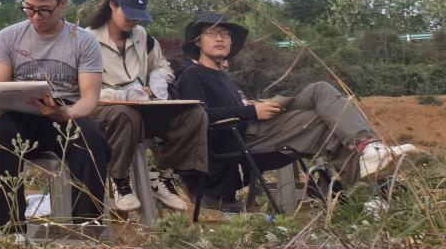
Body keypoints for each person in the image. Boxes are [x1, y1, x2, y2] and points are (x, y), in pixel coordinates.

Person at [174, 13, 416, 211]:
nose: (220, 38)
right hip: (241, 138)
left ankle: (369, 156)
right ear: (198, 42)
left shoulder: (224, 76)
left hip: (257, 126)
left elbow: (234, 107)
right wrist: (252, 112)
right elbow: (198, 116)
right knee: (323, 122)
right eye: (212, 33)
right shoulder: (192, 75)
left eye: (225, 34)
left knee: (320, 93)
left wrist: (259, 107)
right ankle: (375, 186)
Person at [0, 0, 111, 231]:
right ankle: (10, 226)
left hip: (67, 117)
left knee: (91, 138)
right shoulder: (8, 37)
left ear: (63, 4)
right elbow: (0, 89)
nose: (35, 17)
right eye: (29, 9)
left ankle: (88, 225)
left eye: (44, 10)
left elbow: (89, 98)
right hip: (22, 118)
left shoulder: (83, 41)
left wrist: (67, 114)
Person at [86, 0, 206, 213]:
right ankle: (119, 178)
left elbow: (162, 66)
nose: (133, 21)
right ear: (112, 5)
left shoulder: (142, 36)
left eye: (138, 16)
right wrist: (116, 94)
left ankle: (163, 175)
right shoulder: (87, 39)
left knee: (194, 114)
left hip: (141, 106)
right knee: (126, 114)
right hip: (102, 109)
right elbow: (79, 86)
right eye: (129, 14)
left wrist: (156, 82)